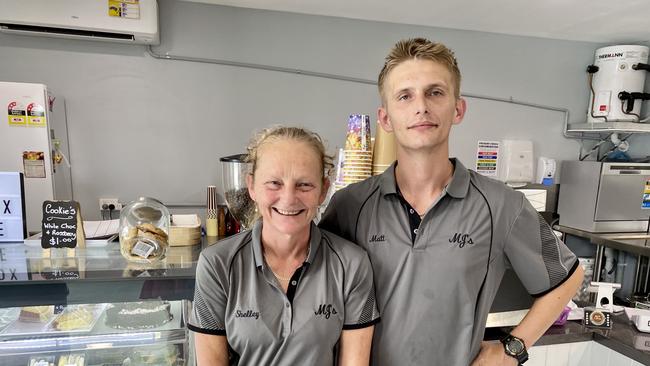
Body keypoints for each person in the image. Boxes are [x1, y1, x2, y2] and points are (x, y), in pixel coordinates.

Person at [319, 38, 584, 366]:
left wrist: (512, 349)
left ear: (458, 108)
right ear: (385, 118)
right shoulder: (349, 207)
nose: (421, 107)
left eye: (435, 92)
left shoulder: (502, 206)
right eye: (405, 95)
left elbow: (568, 276)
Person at [188, 126, 380, 365]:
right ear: (252, 187)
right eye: (274, 183)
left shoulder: (352, 264)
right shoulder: (217, 264)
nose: (289, 198)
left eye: (304, 185)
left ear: (323, 190)